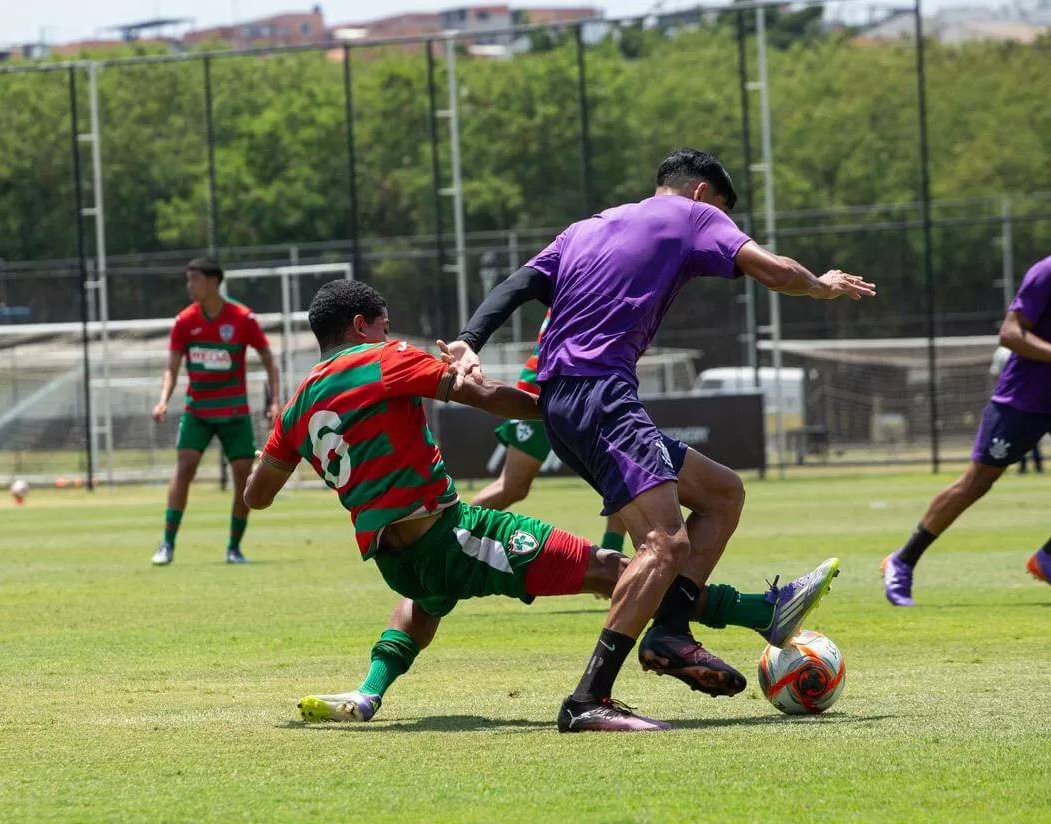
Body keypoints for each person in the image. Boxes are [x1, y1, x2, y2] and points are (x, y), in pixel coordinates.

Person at [245, 280, 836, 732]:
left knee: (422, 600)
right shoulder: (382, 358)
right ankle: (757, 611)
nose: (388, 333)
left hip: (394, 558)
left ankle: (368, 693)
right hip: (453, 535)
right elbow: (478, 392)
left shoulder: (297, 407)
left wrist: (272, 451)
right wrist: (554, 409)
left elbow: (258, 495)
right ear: (361, 325)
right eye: (383, 325)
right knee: (615, 570)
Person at [440, 148, 874, 731]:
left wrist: (469, 340)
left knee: (722, 493)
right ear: (700, 192)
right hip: (600, 395)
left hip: (565, 401)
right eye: (725, 212)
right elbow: (772, 270)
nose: (726, 228)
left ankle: (669, 632)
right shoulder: (695, 215)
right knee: (664, 544)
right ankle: (587, 699)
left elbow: (517, 284)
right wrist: (820, 285)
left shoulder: (583, 229)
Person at [881, 188, 1051, 606]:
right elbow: (1010, 334)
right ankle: (902, 561)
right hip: (1022, 399)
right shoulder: (1049, 273)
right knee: (976, 483)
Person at [150, 256, 280, 565]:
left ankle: (234, 548)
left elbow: (268, 359)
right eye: (188, 279)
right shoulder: (184, 321)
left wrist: (275, 400)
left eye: (194, 279)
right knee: (185, 468)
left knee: (243, 477)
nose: (189, 285)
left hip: (235, 413)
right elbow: (171, 367)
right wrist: (163, 399)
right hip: (198, 412)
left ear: (213, 282)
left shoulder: (243, 318)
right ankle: (167, 545)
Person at [471, 309, 628, 553]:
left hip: (585, 383)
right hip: (543, 384)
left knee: (624, 473)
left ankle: (615, 557)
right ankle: (450, 540)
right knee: (512, 487)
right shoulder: (600, 291)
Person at [990, 345, 1044, 474]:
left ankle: (1023, 466)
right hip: (1029, 397)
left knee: (1017, 434)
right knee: (1031, 433)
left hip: (1011, 398)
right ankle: (1037, 465)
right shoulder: (1031, 347)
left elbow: (995, 374)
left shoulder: (1002, 351)